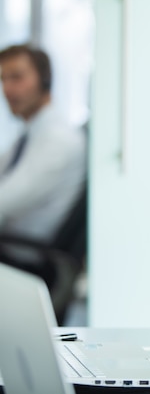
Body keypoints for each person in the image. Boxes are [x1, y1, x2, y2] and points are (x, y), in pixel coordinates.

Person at [0, 44, 86, 289]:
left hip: (26, 262)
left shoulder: (57, 140)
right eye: (3, 79)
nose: (7, 89)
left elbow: (5, 200)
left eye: (16, 77)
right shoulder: (32, 134)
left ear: (45, 80)